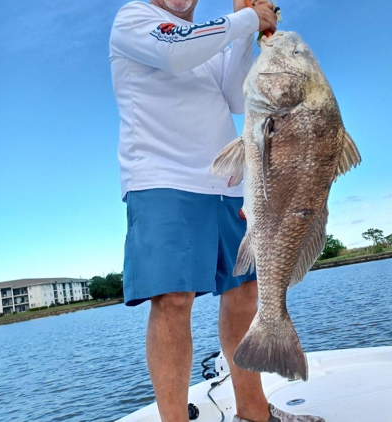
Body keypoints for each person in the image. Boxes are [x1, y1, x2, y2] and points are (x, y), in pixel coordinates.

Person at [109, 1, 325, 421]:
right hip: (162, 181)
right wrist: (246, 19)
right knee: (173, 298)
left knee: (244, 291)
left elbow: (235, 98)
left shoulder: (207, 40)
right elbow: (176, 50)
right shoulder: (134, 19)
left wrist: (247, 33)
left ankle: (254, 412)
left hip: (228, 183)